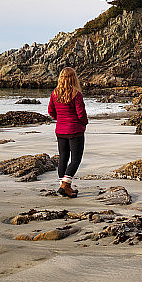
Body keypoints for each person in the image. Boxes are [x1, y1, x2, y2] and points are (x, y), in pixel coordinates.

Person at [47, 67, 88, 197]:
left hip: (60, 130)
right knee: (76, 159)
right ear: (73, 78)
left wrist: (60, 119)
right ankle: (65, 185)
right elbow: (81, 114)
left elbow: (51, 111)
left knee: (63, 159)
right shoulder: (76, 94)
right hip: (75, 131)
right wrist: (84, 123)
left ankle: (65, 187)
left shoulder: (55, 93)